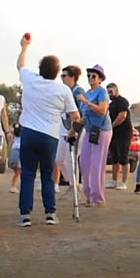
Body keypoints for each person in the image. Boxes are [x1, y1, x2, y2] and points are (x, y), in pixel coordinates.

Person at [15, 34, 80, 227]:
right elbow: (75, 117)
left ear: (40, 69)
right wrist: (71, 133)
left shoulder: (30, 79)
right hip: (50, 136)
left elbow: (20, 65)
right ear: (57, 72)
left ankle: (25, 215)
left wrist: (24, 47)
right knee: (47, 175)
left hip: (29, 132)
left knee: (27, 174)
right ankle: (50, 213)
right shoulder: (63, 90)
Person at [76, 64, 113, 208]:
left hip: (102, 130)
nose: (91, 78)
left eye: (94, 76)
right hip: (89, 130)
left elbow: (102, 110)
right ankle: (88, 194)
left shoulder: (101, 92)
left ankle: (97, 198)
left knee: (97, 164)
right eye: (89, 76)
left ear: (100, 79)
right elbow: (84, 115)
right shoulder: (87, 92)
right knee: (84, 162)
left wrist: (86, 101)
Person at [54, 65, 86, 196]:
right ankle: (73, 184)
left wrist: (75, 129)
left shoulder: (78, 91)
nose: (62, 78)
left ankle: (74, 187)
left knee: (71, 158)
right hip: (64, 129)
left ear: (72, 77)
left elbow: (82, 113)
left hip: (76, 129)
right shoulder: (65, 90)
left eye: (64, 76)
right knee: (59, 158)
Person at [105, 83, 133, 190]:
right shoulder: (111, 105)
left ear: (116, 90)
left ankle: (123, 182)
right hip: (114, 133)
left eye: (111, 91)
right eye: (108, 92)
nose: (110, 94)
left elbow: (122, 116)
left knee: (123, 157)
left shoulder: (122, 101)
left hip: (124, 133)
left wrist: (111, 126)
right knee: (114, 157)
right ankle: (114, 180)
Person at [8, 122, 22, 193]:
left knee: (17, 172)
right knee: (18, 171)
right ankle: (13, 186)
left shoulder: (15, 136)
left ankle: (14, 186)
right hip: (20, 151)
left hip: (14, 151)